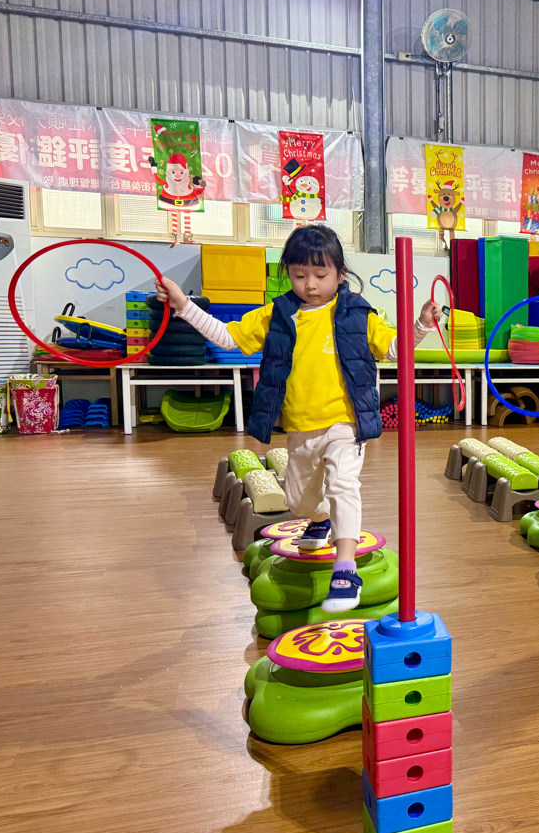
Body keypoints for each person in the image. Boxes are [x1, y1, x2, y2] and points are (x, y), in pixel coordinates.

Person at [156, 225, 441, 610]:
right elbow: (228, 338)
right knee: (300, 502)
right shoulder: (277, 314)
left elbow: (393, 348)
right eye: (299, 275)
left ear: (340, 274)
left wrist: (421, 324)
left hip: (345, 423)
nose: (310, 284)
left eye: (320, 275)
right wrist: (184, 306)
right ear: (287, 274)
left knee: (343, 486)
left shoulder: (356, 313)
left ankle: (345, 569)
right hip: (300, 427)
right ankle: (319, 518)